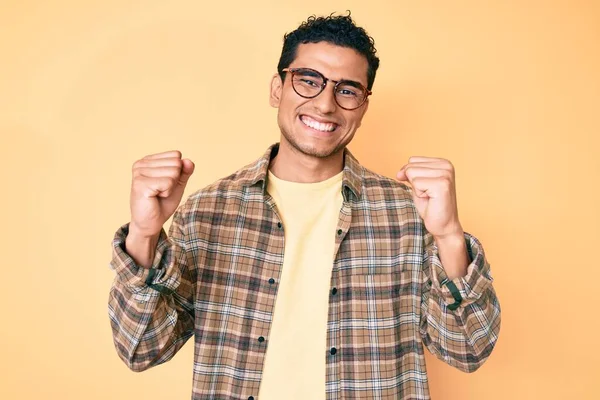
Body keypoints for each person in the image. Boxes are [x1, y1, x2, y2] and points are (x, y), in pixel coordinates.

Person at [108, 12, 501, 400]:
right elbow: (142, 348)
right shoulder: (207, 211)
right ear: (277, 89)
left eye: (347, 90)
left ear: (363, 106)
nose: (326, 104)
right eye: (308, 81)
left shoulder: (409, 215)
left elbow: (467, 349)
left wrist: (449, 235)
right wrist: (144, 235)